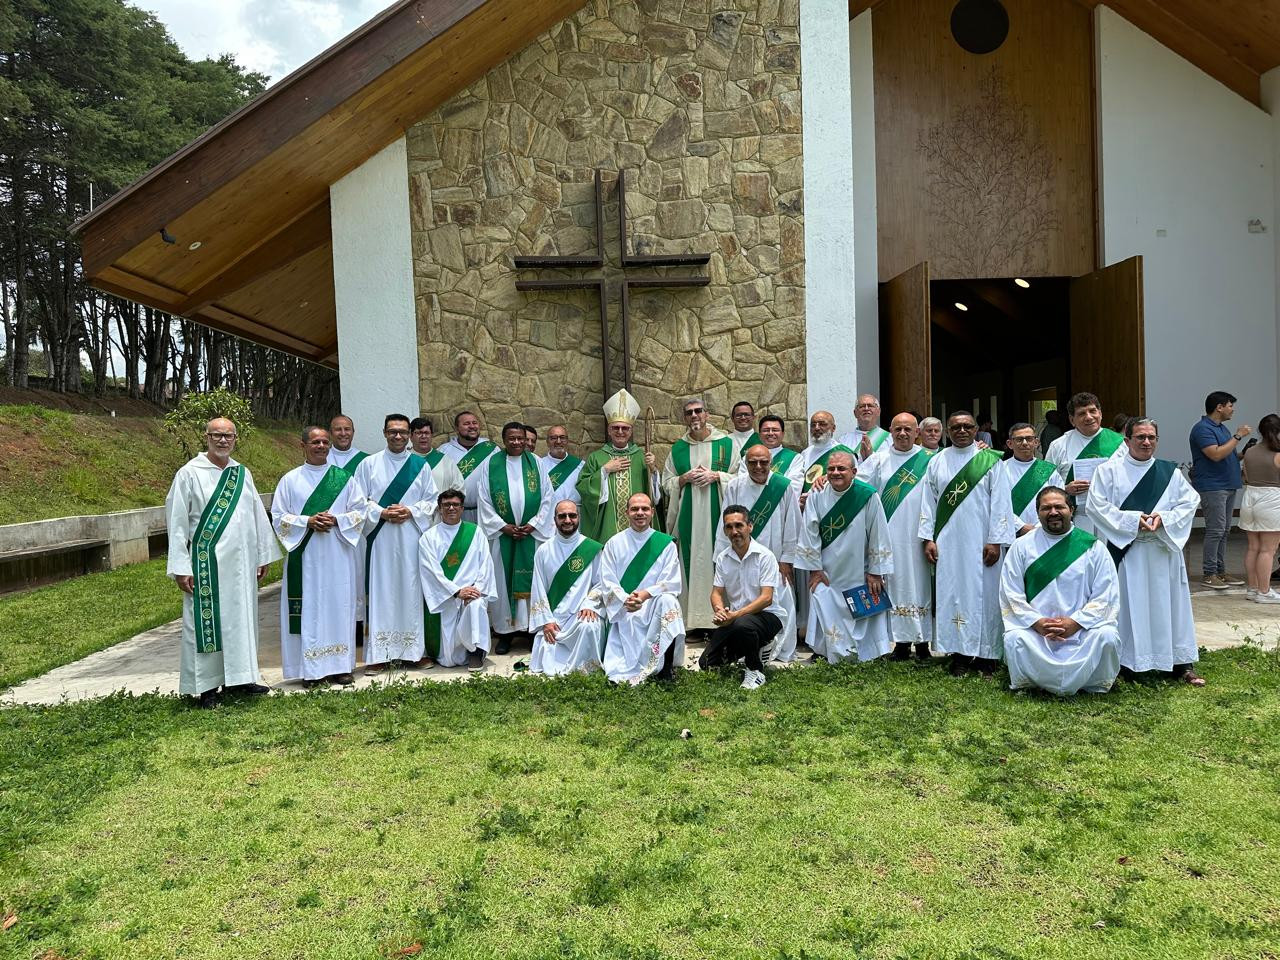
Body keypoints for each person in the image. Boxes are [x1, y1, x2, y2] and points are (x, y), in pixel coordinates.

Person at [165, 417, 281, 708]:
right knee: (207, 625)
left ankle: (241, 678)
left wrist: (262, 554)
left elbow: (255, 516)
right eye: (217, 435)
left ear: (235, 439)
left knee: (241, 620)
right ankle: (206, 687)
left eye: (228, 435)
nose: (222, 440)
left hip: (241, 565)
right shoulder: (189, 473)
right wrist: (181, 566)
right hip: (207, 565)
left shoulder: (241, 473)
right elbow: (177, 522)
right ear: (206, 437)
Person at [1087, 418, 1204, 686]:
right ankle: (1128, 662)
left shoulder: (1169, 472)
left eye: (1152, 437)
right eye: (1140, 437)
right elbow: (1096, 506)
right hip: (1131, 551)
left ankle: (1179, 663)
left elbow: (1190, 501)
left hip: (1162, 550)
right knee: (1130, 605)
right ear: (1126, 440)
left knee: (1171, 605)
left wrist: (1163, 518)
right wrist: (1132, 520)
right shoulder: (1108, 471)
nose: (1146, 442)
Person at [999, 487, 1121, 696]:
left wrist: (1075, 623)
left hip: (1081, 631)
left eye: (1059, 507)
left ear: (1071, 510)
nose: (1053, 512)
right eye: (1046, 508)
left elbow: (1105, 594)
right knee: (1016, 638)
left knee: (1107, 636)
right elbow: (1011, 594)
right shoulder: (1021, 546)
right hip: (1037, 633)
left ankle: (1094, 683)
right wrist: (1037, 623)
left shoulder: (1094, 547)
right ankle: (1029, 682)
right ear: (1037, 513)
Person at [919, 411, 1011, 676]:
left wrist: (996, 541)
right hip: (948, 542)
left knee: (986, 597)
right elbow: (929, 502)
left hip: (983, 544)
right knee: (952, 595)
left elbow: (1001, 502)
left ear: (975, 430)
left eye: (967, 426)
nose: (961, 431)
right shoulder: (937, 462)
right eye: (955, 427)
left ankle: (986, 655)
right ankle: (959, 653)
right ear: (948, 431)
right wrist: (928, 538)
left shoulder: (990, 461)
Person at [272, 426, 362, 687]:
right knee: (310, 609)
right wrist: (307, 521)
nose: (321, 446)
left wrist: (337, 519)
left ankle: (341, 667)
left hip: (338, 554)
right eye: (315, 442)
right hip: (305, 556)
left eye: (325, 442)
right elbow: (278, 517)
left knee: (338, 606)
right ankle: (311, 670)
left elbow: (359, 513)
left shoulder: (344, 479)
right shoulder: (290, 480)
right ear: (303, 446)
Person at [352, 414, 439, 672]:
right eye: (393, 431)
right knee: (382, 592)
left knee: (411, 590)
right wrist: (381, 513)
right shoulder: (368, 465)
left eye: (402, 432)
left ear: (409, 434)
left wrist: (410, 511)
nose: (398, 436)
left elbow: (431, 500)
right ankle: (379, 654)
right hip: (380, 538)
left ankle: (414, 652)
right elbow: (357, 502)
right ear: (384, 433)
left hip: (410, 536)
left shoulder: (420, 466)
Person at [796, 449, 893, 663]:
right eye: (831, 469)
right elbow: (809, 532)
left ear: (854, 471)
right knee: (825, 604)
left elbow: (878, 532)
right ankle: (824, 650)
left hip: (859, 566)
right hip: (827, 570)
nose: (836, 473)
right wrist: (814, 568)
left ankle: (867, 652)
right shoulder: (817, 495)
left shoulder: (867, 495)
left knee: (863, 610)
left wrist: (876, 572)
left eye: (841, 468)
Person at [860, 412, 935, 661]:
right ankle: (901, 643)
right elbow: (857, 487)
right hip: (888, 535)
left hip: (920, 536)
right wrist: (825, 480)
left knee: (920, 586)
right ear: (890, 431)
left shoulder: (930, 460)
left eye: (908, 429)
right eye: (898, 429)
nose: (903, 434)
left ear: (918, 433)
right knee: (895, 585)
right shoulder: (878, 460)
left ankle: (923, 641)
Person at [715, 444, 801, 661]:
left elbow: (792, 523)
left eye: (763, 462)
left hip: (775, 557)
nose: (758, 467)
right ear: (746, 463)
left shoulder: (783, 486)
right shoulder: (735, 486)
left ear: (770, 462)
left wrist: (787, 559)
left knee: (782, 603)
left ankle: (782, 649)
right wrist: (721, 557)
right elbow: (724, 523)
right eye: (753, 462)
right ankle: (747, 647)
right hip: (742, 556)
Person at [662, 397, 739, 636]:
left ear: (707, 414)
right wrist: (683, 479)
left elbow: (741, 478)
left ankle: (720, 619)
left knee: (718, 562)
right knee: (691, 563)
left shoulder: (727, 444)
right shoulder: (678, 449)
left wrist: (718, 476)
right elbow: (667, 483)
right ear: (684, 419)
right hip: (689, 519)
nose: (694, 416)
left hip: (719, 515)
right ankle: (693, 622)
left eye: (698, 411)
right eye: (689, 413)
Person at [477, 421, 554, 653]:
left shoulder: (536, 463)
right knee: (502, 580)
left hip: (531, 536)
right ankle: (505, 633)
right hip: (504, 536)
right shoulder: (492, 464)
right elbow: (484, 499)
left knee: (533, 582)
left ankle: (531, 630)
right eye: (512, 438)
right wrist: (503, 527)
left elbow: (548, 497)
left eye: (521, 438)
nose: (517, 442)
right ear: (504, 439)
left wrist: (533, 524)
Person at [598, 493, 686, 684]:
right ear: (626, 512)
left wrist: (645, 595)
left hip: (653, 604)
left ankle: (666, 667)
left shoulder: (665, 544)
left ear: (652, 512)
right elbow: (607, 580)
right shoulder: (614, 543)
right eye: (635, 509)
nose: (640, 513)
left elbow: (671, 582)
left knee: (669, 602)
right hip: (625, 607)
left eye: (645, 509)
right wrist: (626, 599)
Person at [704, 505, 787, 689]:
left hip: (769, 616)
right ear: (725, 530)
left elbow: (767, 598)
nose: (734, 531)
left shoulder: (765, 556)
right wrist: (720, 612)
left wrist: (735, 615)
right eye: (729, 527)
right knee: (707, 663)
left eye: (739, 525)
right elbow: (716, 593)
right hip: (738, 619)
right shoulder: (723, 558)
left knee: (743, 625)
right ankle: (758, 646)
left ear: (750, 526)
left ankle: (755, 670)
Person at [419, 489, 497, 669]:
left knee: (476, 606)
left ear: (462, 508)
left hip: (472, 594)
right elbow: (431, 572)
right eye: (446, 505)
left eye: (455, 504)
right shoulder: (428, 538)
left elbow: (486, 565)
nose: (451, 508)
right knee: (448, 659)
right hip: (446, 597)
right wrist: (456, 592)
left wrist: (474, 590)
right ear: (439, 509)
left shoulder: (475, 532)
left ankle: (475, 653)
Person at [528, 499, 605, 675]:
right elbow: (538, 588)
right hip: (555, 617)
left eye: (572, 515)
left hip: (582, 614)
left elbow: (601, 583)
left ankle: (585, 671)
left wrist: (589, 605)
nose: (568, 520)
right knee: (549, 645)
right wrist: (546, 621)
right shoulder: (544, 551)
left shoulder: (591, 549)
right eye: (562, 516)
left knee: (590, 627)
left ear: (579, 518)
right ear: (554, 520)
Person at [576, 388, 659, 543]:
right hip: (607, 529)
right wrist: (604, 471)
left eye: (625, 428)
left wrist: (653, 470)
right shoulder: (596, 457)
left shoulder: (642, 457)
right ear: (609, 430)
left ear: (631, 430)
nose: (620, 431)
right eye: (616, 427)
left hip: (637, 528)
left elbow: (655, 497)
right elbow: (583, 487)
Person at [1189, 390, 1249, 590]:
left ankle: (1220, 571)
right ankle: (1209, 574)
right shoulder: (1202, 429)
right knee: (1215, 530)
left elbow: (1227, 454)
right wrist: (1238, 436)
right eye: (1230, 405)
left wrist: (1242, 454)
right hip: (1213, 486)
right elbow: (1214, 454)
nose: (1233, 410)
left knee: (1223, 531)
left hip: (1227, 484)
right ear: (1219, 407)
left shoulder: (1222, 429)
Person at [1045, 392, 1124, 536]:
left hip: (1113, 518)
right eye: (1082, 414)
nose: (1089, 417)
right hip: (1076, 519)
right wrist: (1065, 489)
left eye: (1093, 411)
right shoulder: (1058, 446)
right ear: (1072, 420)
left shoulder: (1121, 444)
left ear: (1100, 413)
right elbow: (1045, 486)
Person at [993, 422, 1060, 536]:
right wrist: (1020, 527)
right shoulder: (1000, 470)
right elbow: (997, 503)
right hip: (1011, 533)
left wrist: (1039, 527)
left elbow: (1059, 500)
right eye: (1019, 439)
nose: (1024, 443)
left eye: (1029, 439)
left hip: (1044, 531)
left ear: (1036, 442)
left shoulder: (1049, 471)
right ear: (1010, 444)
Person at [1241, 413, 1280, 602]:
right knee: (1268, 550)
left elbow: (1246, 476)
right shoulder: (1278, 454)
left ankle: (1253, 588)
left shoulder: (1250, 451)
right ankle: (1264, 592)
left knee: (1253, 547)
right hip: (1272, 499)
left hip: (1250, 496)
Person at [438, 410, 498, 521]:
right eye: (466, 424)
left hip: (485, 513)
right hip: (454, 513)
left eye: (474, 423)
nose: (472, 426)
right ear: (456, 428)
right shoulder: (443, 451)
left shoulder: (491, 449)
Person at [740, 413, 804, 490]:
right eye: (766, 430)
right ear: (760, 434)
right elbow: (742, 484)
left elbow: (794, 487)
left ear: (783, 434)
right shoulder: (747, 457)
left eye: (775, 430)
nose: (770, 433)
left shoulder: (795, 458)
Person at [410, 415, 465, 497]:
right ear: (410, 436)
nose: (423, 437)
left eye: (426, 433)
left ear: (432, 435)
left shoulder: (445, 461)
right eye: (419, 433)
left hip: (439, 509)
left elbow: (458, 488)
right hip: (410, 509)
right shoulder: (405, 460)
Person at [837, 393, 889, 462]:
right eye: (862, 406)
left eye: (870, 406)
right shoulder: (843, 440)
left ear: (878, 412)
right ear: (855, 413)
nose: (866, 409)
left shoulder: (889, 439)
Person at [540, 424, 584, 506]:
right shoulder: (539, 465)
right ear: (547, 442)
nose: (558, 441)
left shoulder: (581, 466)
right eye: (553, 438)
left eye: (562, 437)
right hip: (548, 515)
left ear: (567, 441)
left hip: (574, 516)